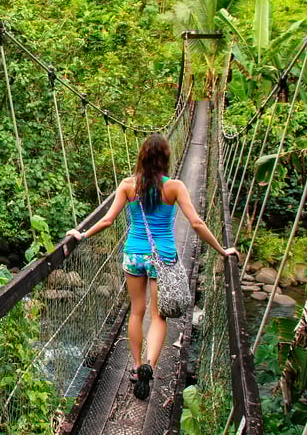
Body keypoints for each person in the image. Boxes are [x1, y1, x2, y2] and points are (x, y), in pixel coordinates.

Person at [66, 133, 238, 400]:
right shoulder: (175, 187)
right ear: (166, 158)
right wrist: (222, 250)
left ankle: (135, 367)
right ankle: (150, 365)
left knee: (137, 311)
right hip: (164, 258)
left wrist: (83, 234)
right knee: (158, 316)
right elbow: (196, 223)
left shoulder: (127, 185)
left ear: (141, 157)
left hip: (134, 255)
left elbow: (109, 221)